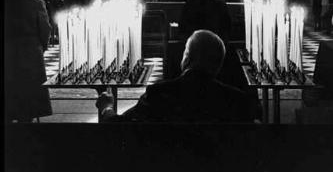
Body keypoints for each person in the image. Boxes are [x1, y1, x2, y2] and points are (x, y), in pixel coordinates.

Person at [96, 30, 257, 123]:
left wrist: (107, 107)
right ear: (218, 65)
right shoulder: (236, 101)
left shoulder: (158, 94)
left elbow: (119, 127)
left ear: (186, 59)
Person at [5, 0, 52, 122]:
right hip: (30, 55)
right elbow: (45, 31)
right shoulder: (36, 4)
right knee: (28, 109)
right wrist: (41, 47)